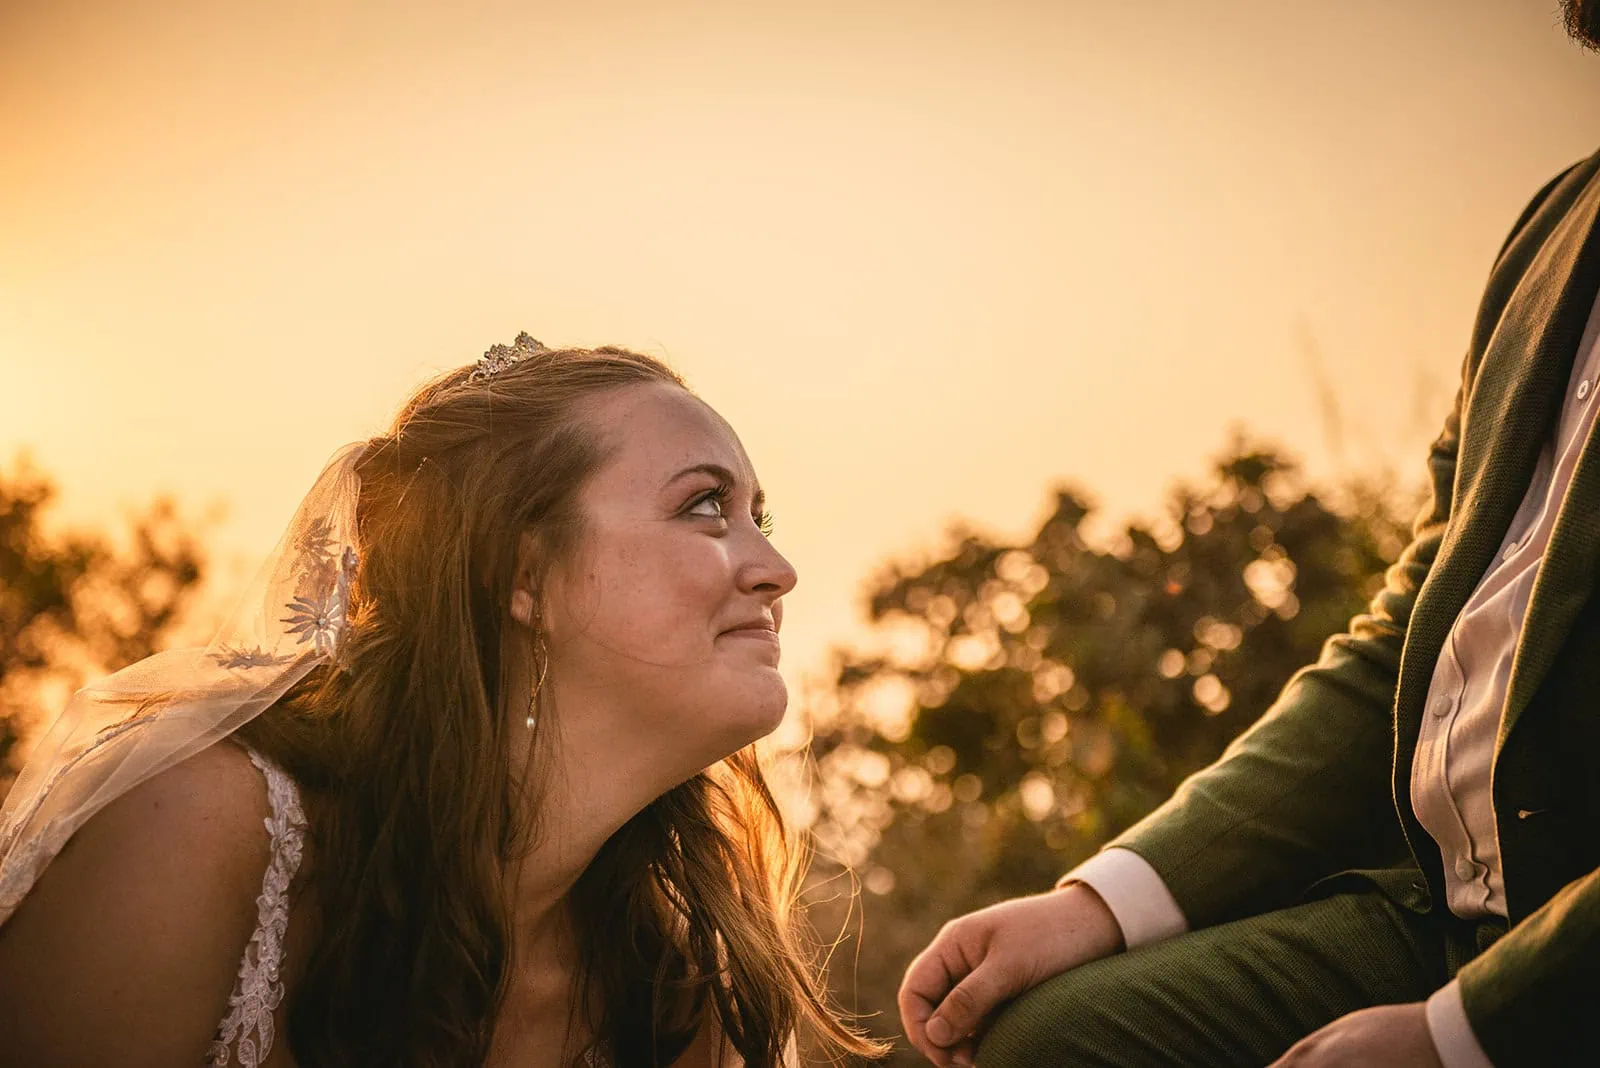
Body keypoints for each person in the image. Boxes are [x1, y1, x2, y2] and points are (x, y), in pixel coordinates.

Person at [898, 6, 1600, 1067]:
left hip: (1565, 949)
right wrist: (1102, 901)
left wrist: (1462, 1037)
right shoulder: (1553, 229)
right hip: (1435, 918)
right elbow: (1408, 639)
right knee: (1048, 1042)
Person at [0, 336, 886, 1067]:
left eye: (756, 519)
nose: (777, 571)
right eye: (704, 506)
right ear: (521, 574)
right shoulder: (200, 830)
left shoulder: (675, 986)